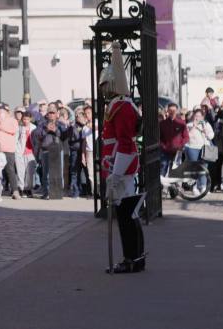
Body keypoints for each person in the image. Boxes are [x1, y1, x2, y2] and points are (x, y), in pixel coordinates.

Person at [99, 41, 145, 273]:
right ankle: (135, 258)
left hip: (122, 164)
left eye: (106, 84)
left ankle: (132, 259)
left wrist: (116, 173)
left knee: (126, 213)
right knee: (129, 212)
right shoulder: (118, 104)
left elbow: (125, 143)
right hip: (118, 163)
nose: (103, 88)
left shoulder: (123, 106)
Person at [32, 106, 68, 199]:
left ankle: (58, 192)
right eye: (50, 113)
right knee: (46, 173)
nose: (52, 115)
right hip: (46, 151)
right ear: (47, 115)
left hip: (57, 151)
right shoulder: (42, 124)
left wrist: (56, 131)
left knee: (58, 172)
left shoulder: (60, 124)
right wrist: (46, 130)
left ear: (57, 114)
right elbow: (37, 135)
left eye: (53, 113)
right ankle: (46, 193)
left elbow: (64, 136)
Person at [185, 109, 214, 195]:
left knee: (204, 168)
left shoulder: (206, 124)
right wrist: (194, 127)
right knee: (195, 168)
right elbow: (187, 137)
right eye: (196, 116)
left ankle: (203, 187)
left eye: (199, 116)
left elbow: (211, 136)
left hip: (204, 148)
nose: (197, 118)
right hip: (192, 148)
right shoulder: (189, 125)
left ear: (202, 117)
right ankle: (194, 187)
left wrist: (205, 130)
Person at [159, 103, 189, 176]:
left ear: (177, 111)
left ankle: (176, 186)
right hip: (165, 151)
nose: (172, 112)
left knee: (177, 170)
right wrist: (163, 146)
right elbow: (159, 138)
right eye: (170, 110)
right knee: (163, 169)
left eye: (174, 110)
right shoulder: (162, 123)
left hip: (177, 151)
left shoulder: (181, 123)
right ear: (167, 111)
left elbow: (186, 137)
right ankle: (162, 186)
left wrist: (180, 146)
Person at [15, 111, 37, 197]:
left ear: (30, 119)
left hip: (31, 152)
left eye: (27, 119)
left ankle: (28, 189)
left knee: (30, 172)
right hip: (20, 152)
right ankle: (21, 188)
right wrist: (17, 149)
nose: (25, 121)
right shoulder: (19, 128)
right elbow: (15, 140)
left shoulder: (34, 127)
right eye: (24, 119)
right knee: (20, 172)